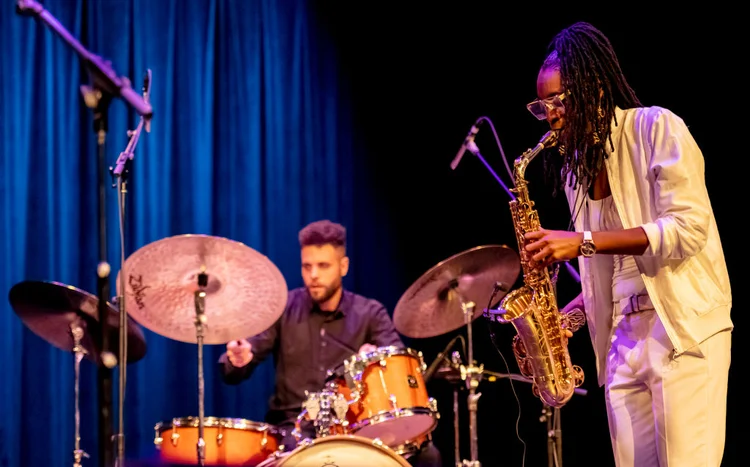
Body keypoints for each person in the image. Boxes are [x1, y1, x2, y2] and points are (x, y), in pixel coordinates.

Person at [520, 22, 733, 467]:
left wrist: (581, 242)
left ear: (595, 88)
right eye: (543, 108)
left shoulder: (656, 127)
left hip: (680, 330)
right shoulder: (576, 174)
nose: (553, 115)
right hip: (621, 341)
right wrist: (566, 319)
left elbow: (687, 229)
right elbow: (613, 273)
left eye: (559, 100)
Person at [218, 219, 442, 466]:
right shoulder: (283, 308)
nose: (313, 275)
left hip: (351, 429)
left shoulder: (369, 313)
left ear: (343, 266)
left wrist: (377, 358)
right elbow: (234, 369)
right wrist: (237, 359)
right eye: (307, 266)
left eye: (323, 266)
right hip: (293, 428)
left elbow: (398, 369)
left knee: (428, 454)